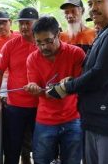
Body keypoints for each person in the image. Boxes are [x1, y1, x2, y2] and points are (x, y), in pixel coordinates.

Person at [47, 0, 108, 164]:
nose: (93, 8)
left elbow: (100, 74)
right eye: (90, 4)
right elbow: (92, 69)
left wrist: (66, 87)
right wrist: (74, 80)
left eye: (98, 2)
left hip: (106, 123)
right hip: (94, 119)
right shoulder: (104, 32)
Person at [24, 16, 85, 164]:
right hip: (45, 119)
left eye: (48, 41)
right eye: (39, 43)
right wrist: (34, 88)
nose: (44, 47)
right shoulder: (32, 59)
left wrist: (71, 83)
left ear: (58, 34)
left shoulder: (76, 53)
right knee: (41, 159)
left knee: (72, 160)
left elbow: (82, 85)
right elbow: (41, 91)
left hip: (73, 118)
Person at [0, 7, 39, 164]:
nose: (24, 27)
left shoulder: (45, 43)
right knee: (11, 149)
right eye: (21, 23)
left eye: (28, 23)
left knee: (40, 149)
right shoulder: (11, 45)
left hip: (41, 106)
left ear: (37, 23)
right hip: (15, 106)